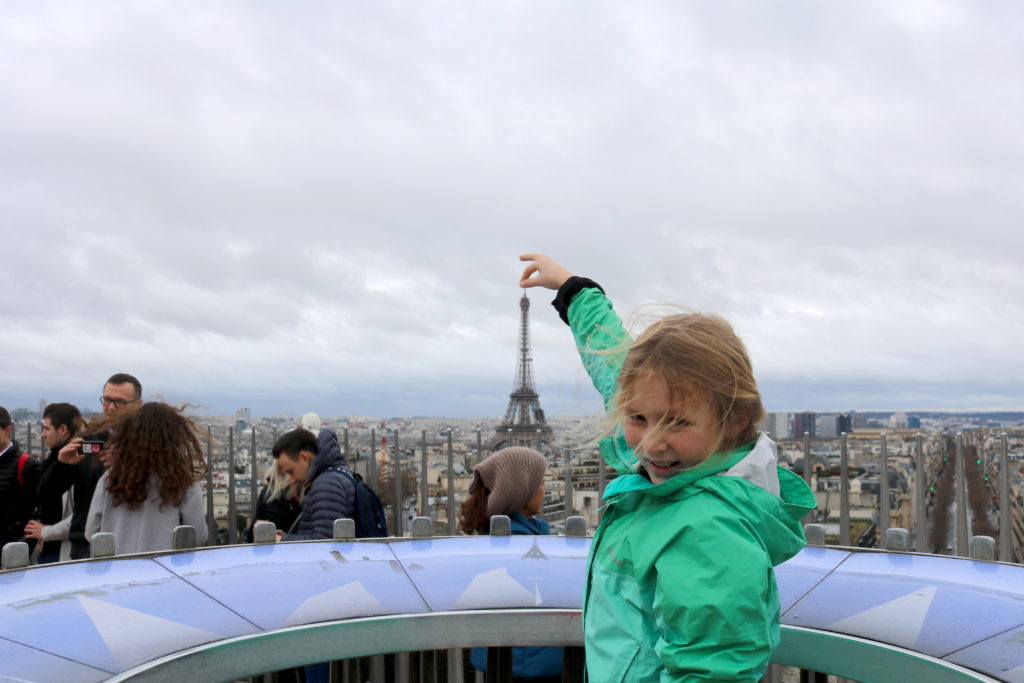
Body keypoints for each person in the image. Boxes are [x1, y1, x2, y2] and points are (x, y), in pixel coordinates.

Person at [519, 253, 816, 681]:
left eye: (677, 421)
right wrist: (574, 291)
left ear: (735, 420)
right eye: (638, 418)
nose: (653, 442)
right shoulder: (681, 461)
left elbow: (712, 671)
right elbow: (613, 367)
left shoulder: (710, 529)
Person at [460, 447, 563, 682]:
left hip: (516, 659)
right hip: (527, 663)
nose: (543, 490)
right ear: (521, 491)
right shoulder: (520, 546)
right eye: (539, 483)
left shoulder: (507, 538)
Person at [36, 373, 144, 559]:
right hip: (87, 546)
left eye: (120, 402)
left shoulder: (150, 445)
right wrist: (62, 466)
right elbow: (45, 494)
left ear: (138, 404)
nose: (110, 407)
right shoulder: (87, 441)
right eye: (107, 400)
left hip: (133, 544)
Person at [83, 402, 208, 554]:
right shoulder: (183, 481)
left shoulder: (111, 477)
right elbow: (198, 535)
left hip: (117, 568)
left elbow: (91, 533)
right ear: (174, 437)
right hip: (166, 568)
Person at [25, 402, 85, 563]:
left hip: (64, 551)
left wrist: (46, 532)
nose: (42, 434)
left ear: (63, 429)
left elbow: (82, 515)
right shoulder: (57, 461)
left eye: (46, 428)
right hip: (54, 546)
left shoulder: (75, 465)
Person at [273, 427, 356, 541]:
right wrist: (288, 537)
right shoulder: (335, 474)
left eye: (291, 471)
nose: (292, 480)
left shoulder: (326, 485)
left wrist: (282, 540)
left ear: (305, 458)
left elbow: (325, 541)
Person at [0, 406, 40, 550]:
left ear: (7, 430)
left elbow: (38, 511)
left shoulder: (27, 465)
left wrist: (22, 547)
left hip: (12, 548)